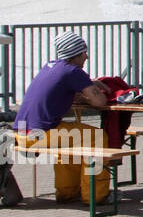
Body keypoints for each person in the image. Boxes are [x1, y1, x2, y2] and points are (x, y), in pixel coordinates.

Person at [12, 32, 111, 203]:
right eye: (84, 52)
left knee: (73, 137)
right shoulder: (74, 71)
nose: (86, 56)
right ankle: (96, 196)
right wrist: (94, 88)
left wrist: (88, 84)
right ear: (76, 54)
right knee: (97, 136)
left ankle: (67, 192)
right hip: (39, 134)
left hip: (21, 133)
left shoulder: (50, 66)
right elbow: (100, 101)